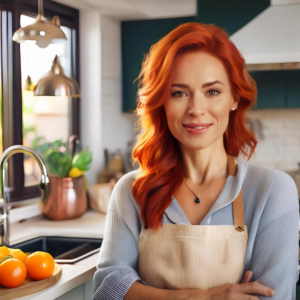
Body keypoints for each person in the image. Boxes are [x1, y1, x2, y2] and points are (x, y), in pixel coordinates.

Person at [92, 22, 299, 300]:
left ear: (234, 98)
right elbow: (109, 288)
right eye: (179, 93)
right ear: (161, 102)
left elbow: (271, 297)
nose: (196, 109)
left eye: (212, 91)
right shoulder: (132, 191)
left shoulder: (272, 191)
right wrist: (204, 297)